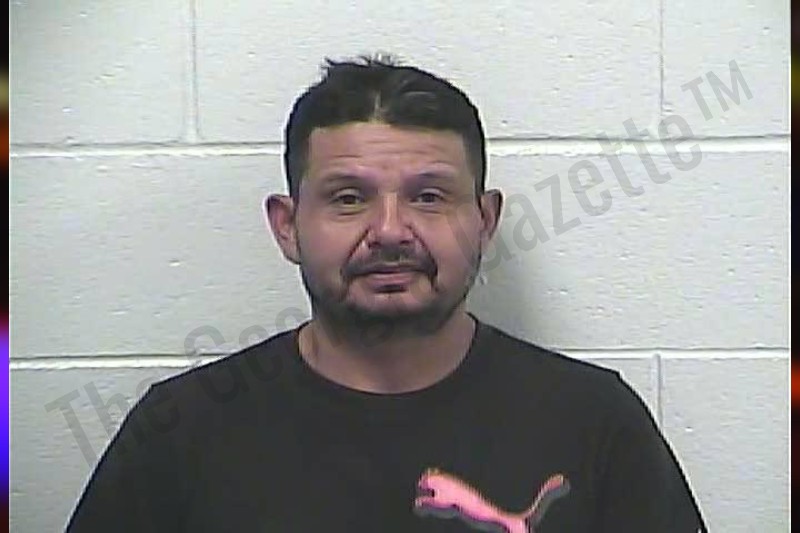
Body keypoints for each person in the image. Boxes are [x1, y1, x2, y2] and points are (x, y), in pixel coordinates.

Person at [66, 54, 707, 532]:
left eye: (429, 196)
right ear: (288, 226)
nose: (391, 231)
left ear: (485, 221)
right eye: (349, 199)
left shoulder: (594, 421)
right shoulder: (179, 431)